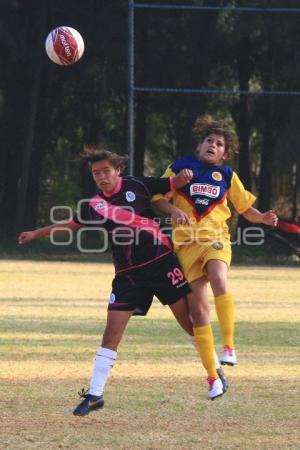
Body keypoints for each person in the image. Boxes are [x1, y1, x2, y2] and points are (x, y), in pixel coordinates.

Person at [18, 146, 228, 417]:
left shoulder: (138, 185)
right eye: (96, 173)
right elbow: (70, 225)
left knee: (189, 325)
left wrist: (184, 177)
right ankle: (95, 394)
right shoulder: (94, 206)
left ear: (118, 170)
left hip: (163, 264)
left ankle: (214, 373)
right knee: (111, 334)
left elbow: (172, 183)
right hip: (128, 276)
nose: (102, 176)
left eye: (106, 170)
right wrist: (36, 233)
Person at [152, 115, 278, 390]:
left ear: (224, 153)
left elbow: (245, 208)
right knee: (198, 313)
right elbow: (158, 197)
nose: (213, 145)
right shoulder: (180, 167)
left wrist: (263, 218)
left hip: (215, 239)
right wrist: (173, 208)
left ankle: (230, 347)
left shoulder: (228, 175)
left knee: (219, 278)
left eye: (219, 143)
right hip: (185, 245)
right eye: (209, 140)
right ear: (199, 146)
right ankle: (213, 377)